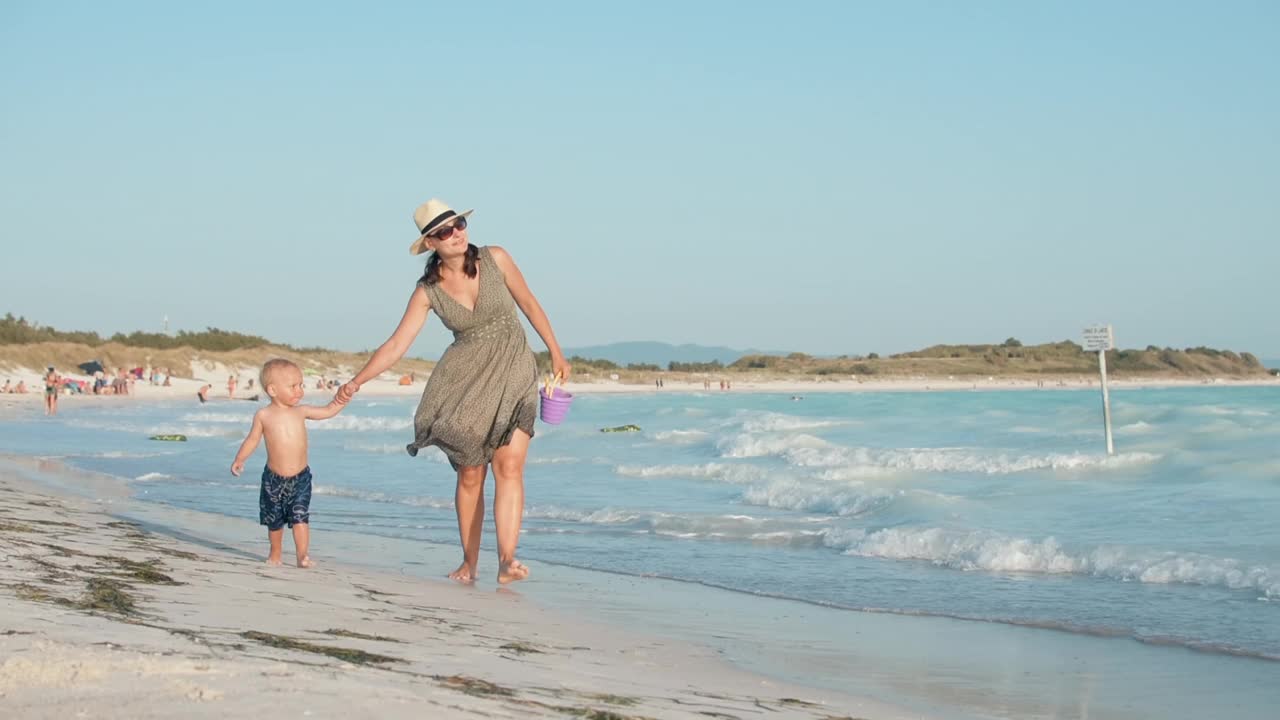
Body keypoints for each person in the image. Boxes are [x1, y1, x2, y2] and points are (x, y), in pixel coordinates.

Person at [337, 198, 570, 585]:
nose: (457, 233)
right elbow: (397, 345)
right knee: (470, 474)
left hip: (514, 368)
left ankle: (508, 559)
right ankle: (469, 561)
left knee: (509, 466)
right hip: (465, 380)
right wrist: (357, 381)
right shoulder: (428, 290)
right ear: (431, 243)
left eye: (459, 224)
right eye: (445, 231)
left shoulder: (496, 258)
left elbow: (529, 303)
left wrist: (557, 351)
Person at [231, 359, 348, 568]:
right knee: (274, 520)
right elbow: (252, 439)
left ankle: (302, 555)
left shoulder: (301, 411)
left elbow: (328, 411)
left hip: (301, 477)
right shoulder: (263, 415)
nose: (299, 391)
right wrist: (240, 459)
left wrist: (341, 401)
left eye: (301, 385)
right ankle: (275, 553)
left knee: (300, 516)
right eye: (293, 386)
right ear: (273, 390)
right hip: (273, 479)